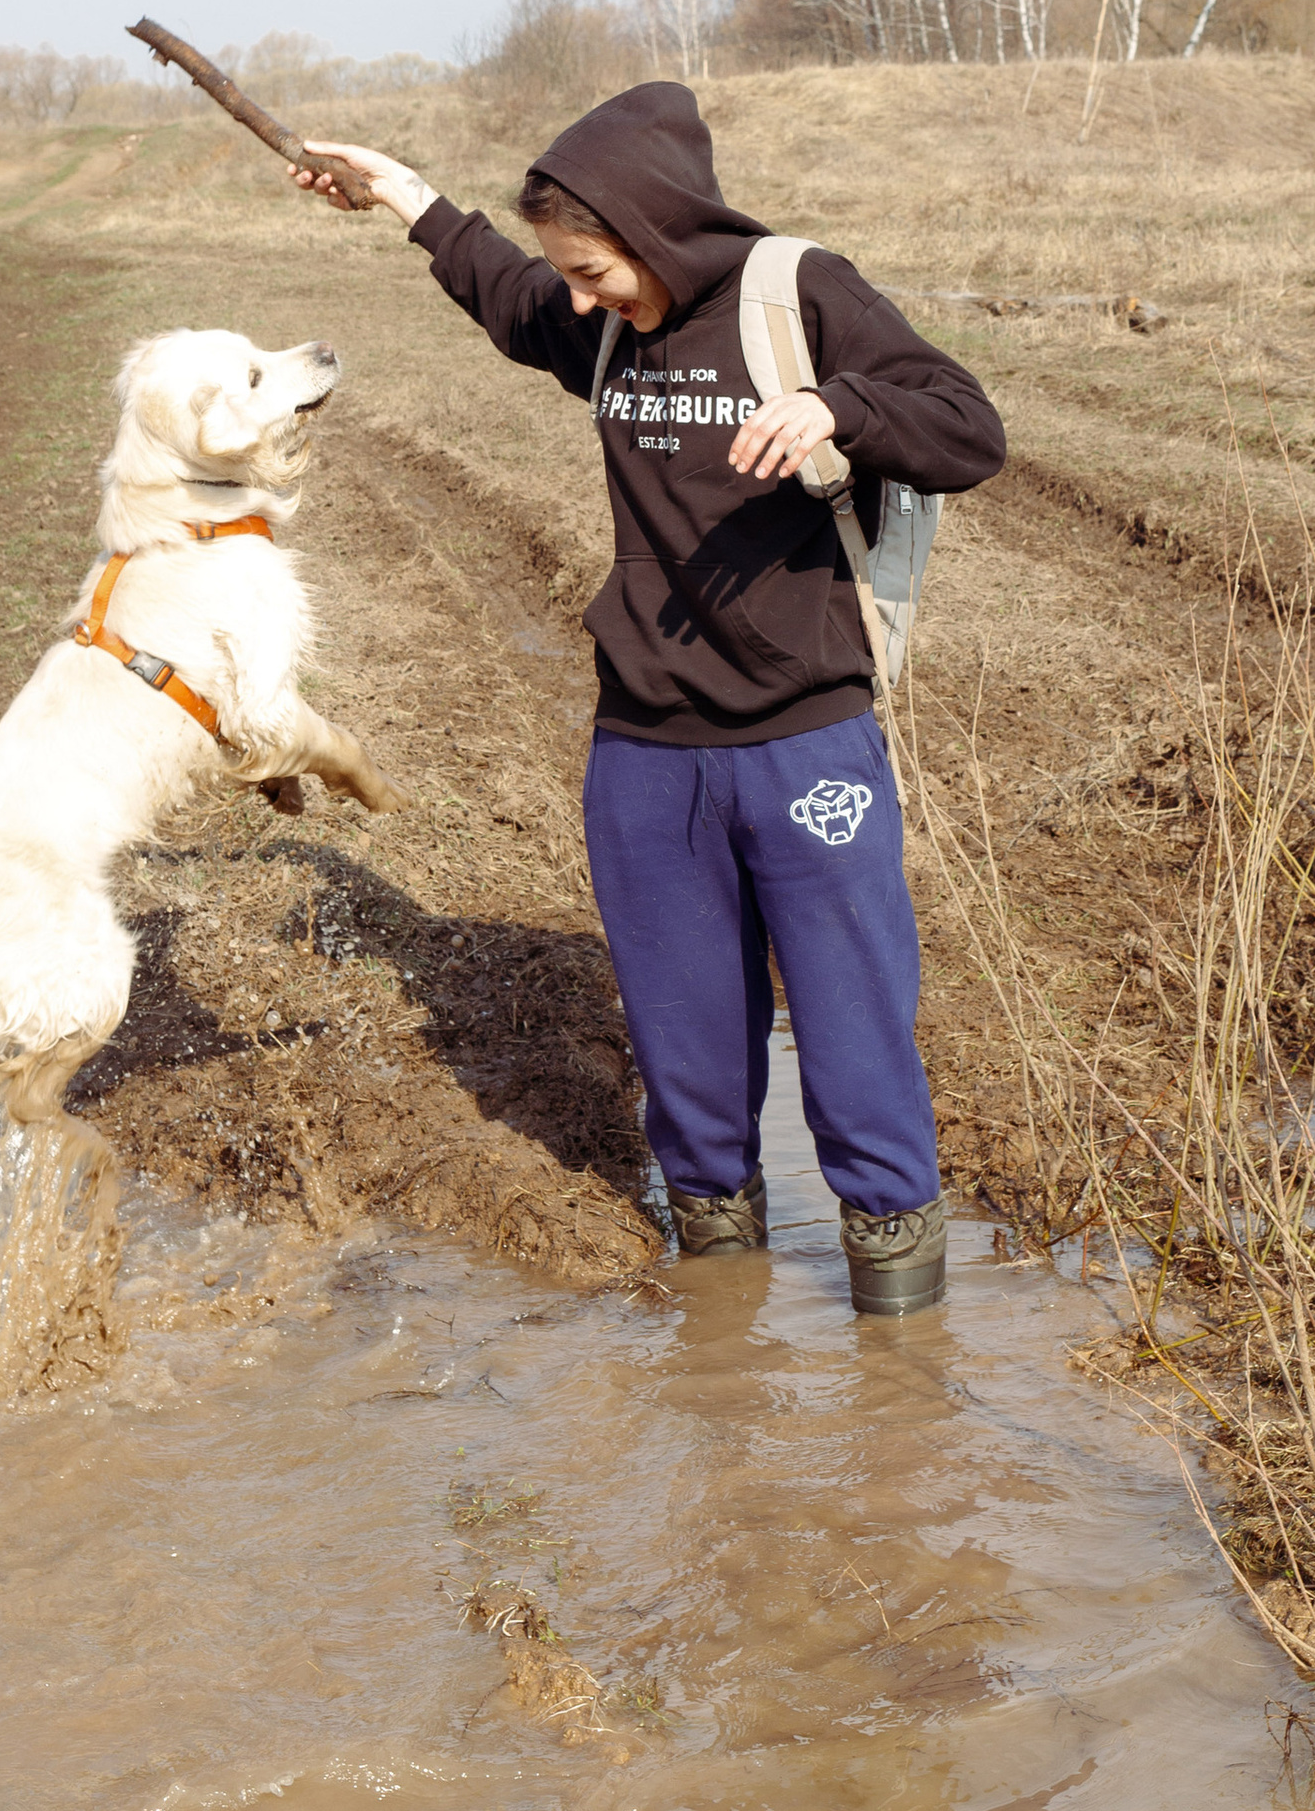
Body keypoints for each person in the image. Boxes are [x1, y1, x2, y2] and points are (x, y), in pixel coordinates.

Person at [296, 83, 1005, 1314]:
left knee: (854, 1043)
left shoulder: (796, 293)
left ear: (657, 233)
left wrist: (838, 405)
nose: (576, 299)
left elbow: (967, 428)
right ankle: (721, 1324)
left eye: (594, 270)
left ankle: (902, 1351)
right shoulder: (605, 325)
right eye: (567, 273)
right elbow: (506, 295)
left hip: (803, 740)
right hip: (644, 749)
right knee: (685, 1056)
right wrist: (401, 194)